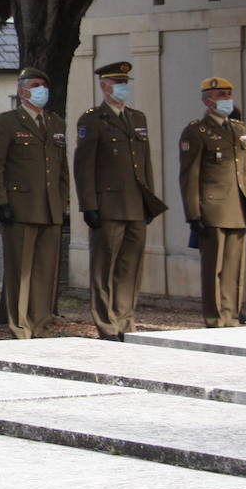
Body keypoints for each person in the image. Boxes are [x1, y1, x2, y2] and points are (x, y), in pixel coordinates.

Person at [74, 62, 169, 341]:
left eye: (126, 82)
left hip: (136, 204)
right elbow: (84, 166)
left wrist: (149, 199)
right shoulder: (92, 120)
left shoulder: (137, 118)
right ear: (104, 86)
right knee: (105, 266)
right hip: (109, 204)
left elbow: (145, 163)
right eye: (118, 83)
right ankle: (107, 323)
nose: (124, 88)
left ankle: (125, 318)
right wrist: (89, 205)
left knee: (130, 267)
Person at [0, 66, 69, 339]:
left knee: (45, 272)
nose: (42, 90)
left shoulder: (55, 123)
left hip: (50, 208)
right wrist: (0, 202)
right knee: (21, 271)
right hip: (19, 208)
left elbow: (61, 168)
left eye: (44, 85)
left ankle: (40, 325)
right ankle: (20, 326)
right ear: (22, 91)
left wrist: (63, 202)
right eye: (35, 85)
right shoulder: (7, 122)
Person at [179, 77, 246, 328]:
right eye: (219, 95)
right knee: (213, 268)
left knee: (235, 269)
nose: (225, 99)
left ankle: (231, 315)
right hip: (212, 208)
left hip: (238, 207)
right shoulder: (196, 131)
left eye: (227, 94)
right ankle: (215, 318)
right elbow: (189, 175)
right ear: (207, 100)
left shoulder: (240, 130)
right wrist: (193, 212)